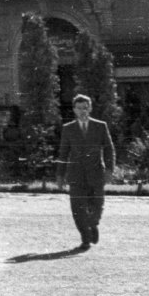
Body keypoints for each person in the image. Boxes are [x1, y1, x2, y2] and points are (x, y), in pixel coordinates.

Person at [57, 93, 115, 249]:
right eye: (79, 108)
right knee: (77, 208)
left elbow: (109, 148)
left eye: (85, 107)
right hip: (76, 175)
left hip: (96, 172)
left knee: (97, 204)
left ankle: (93, 224)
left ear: (90, 108)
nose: (83, 110)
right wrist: (60, 176)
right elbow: (63, 153)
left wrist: (109, 168)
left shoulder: (100, 126)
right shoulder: (68, 129)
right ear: (74, 110)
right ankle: (85, 237)